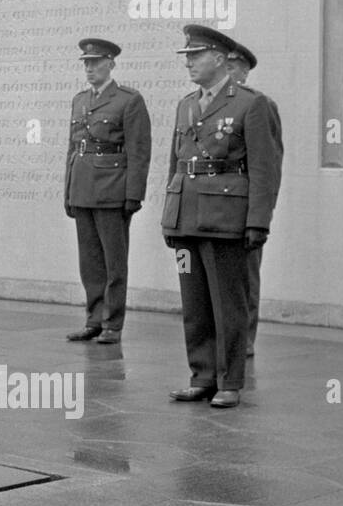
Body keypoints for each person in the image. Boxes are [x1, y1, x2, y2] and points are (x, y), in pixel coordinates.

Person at [161, 26, 280, 409]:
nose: (189, 62)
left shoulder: (250, 104)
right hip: (187, 218)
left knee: (229, 304)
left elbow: (265, 170)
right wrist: (170, 216)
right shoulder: (186, 105)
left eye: (196, 55)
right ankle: (202, 375)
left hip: (227, 218)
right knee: (194, 304)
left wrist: (258, 221)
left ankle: (230, 380)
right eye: (187, 56)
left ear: (219, 58)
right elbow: (175, 164)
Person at [63, 38, 152, 344]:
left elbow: (139, 150)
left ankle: (112, 323)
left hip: (112, 190)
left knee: (114, 262)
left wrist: (134, 194)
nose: (90, 68)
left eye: (96, 62)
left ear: (111, 64)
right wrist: (68, 192)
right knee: (90, 262)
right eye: (86, 63)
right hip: (83, 188)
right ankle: (94, 318)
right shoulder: (79, 100)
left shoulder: (128, 100)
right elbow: (73, 149)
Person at [225, 42, 283, 361]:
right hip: (219, 208)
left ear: (245, 72)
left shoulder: (260, 105)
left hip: (246, 207)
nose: (227, 74)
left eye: (232, 68)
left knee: (246, 278)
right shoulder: (211, 107)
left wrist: (261, 215)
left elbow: (269, 165)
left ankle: (245, 338)